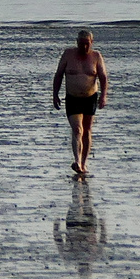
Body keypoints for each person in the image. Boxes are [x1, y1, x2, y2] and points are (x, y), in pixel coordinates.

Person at [52, 29, 109, 175]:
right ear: (77, 42)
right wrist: (55, 94)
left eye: (87, 44)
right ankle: (77, 160)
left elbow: (103, 77)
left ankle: (83, 164)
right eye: (81, 44)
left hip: (90, 97)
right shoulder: (68, 55)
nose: (84, 47)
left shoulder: (96, 56)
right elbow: (58, 75)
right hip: (73, 97)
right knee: (77, 129)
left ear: (91, 42)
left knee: (87, 130)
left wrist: (103, 96)